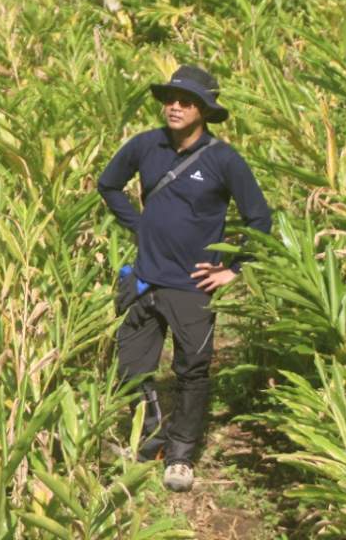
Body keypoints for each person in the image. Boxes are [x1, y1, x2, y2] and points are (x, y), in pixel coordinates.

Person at [97, 64, 271, 492]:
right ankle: (149, 442)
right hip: (143, 280)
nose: (174, 106)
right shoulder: (145, 146)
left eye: (186, 100)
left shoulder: (223, 159)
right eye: (170, 98)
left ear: (204, 110)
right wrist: (140, 226)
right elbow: (109, 184)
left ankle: (180, 456)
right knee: (132, 369)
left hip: (193, 285)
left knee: (191, 370)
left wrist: (233, 268)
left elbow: (259, 218)